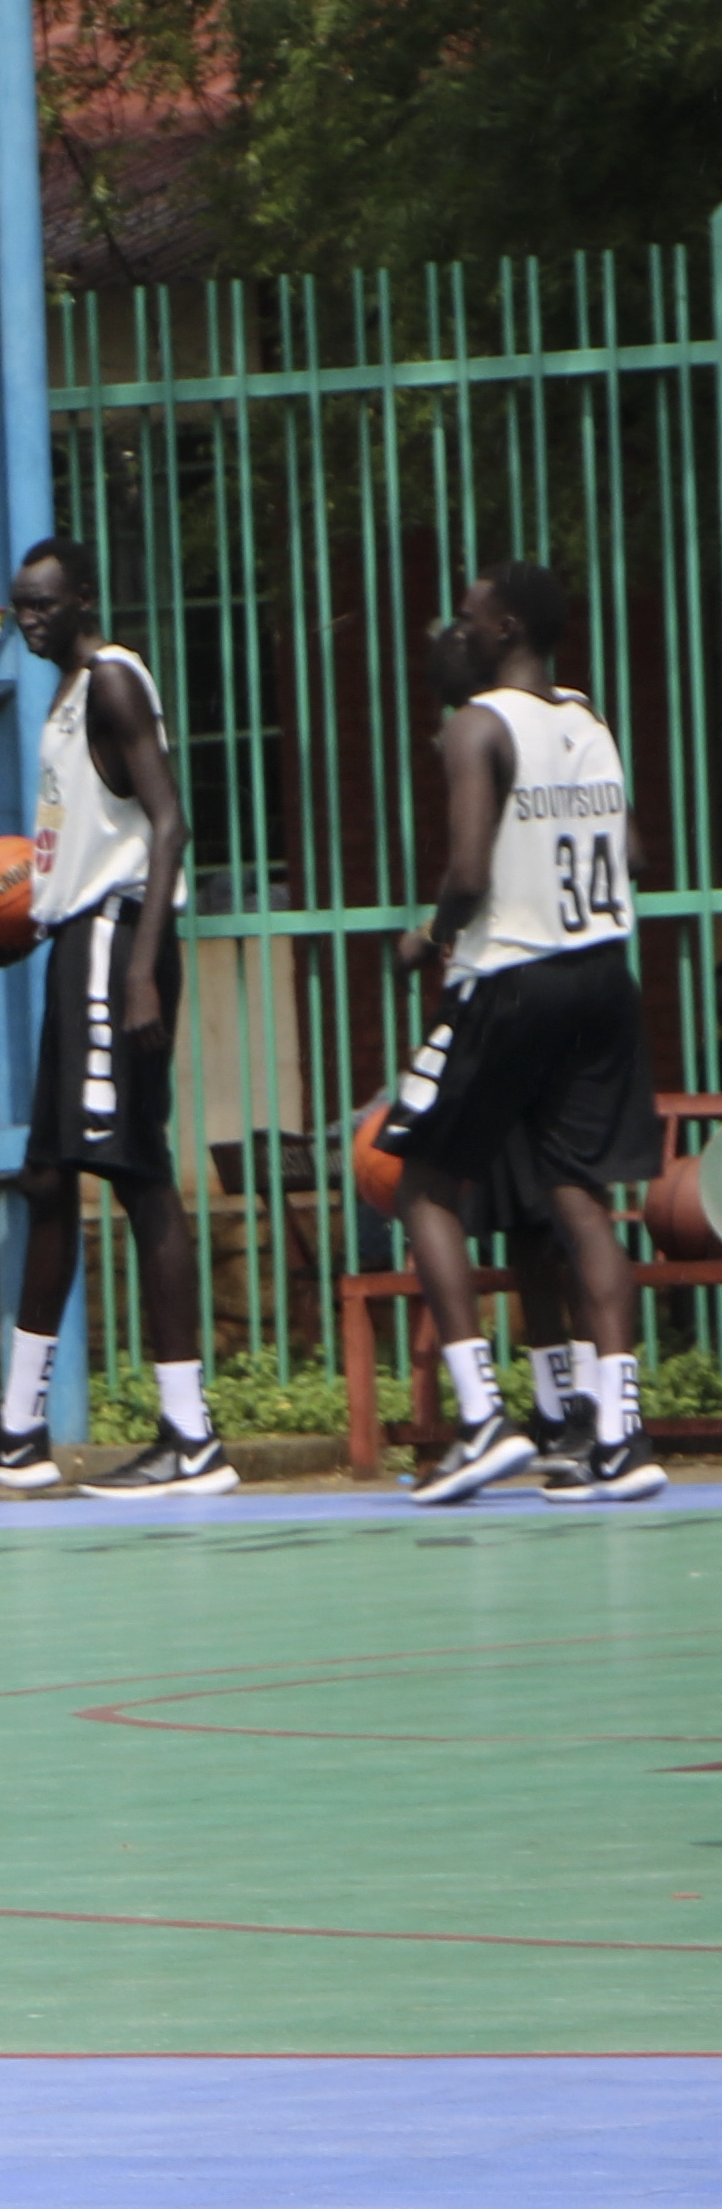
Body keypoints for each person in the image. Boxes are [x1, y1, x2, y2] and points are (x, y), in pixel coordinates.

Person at [0, 535, 233, 1495]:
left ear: (82, 597)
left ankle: (189, 1433)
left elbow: (168, 822)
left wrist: (143, 970)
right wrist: (29, 921)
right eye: (18, 607)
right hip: (80, 943)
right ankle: (17, 1429)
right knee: (44, 1175)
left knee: (138, 1175)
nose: (29, 620)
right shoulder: (66, 698)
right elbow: (92, 840)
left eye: (43, 605)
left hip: (120, 947)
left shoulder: (113, 681)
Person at [391, 562, 669, 1504]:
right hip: (603, 978)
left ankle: (480, 1422)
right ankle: (617, 1436)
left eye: (468, 617)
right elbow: (634, 852)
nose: (457, 629)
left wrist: (426, 936)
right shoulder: (585, 719)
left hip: (512, 975)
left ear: (504, 626)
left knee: (421, 1182)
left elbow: (467, 871)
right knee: (576, 1197)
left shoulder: (478, 725)